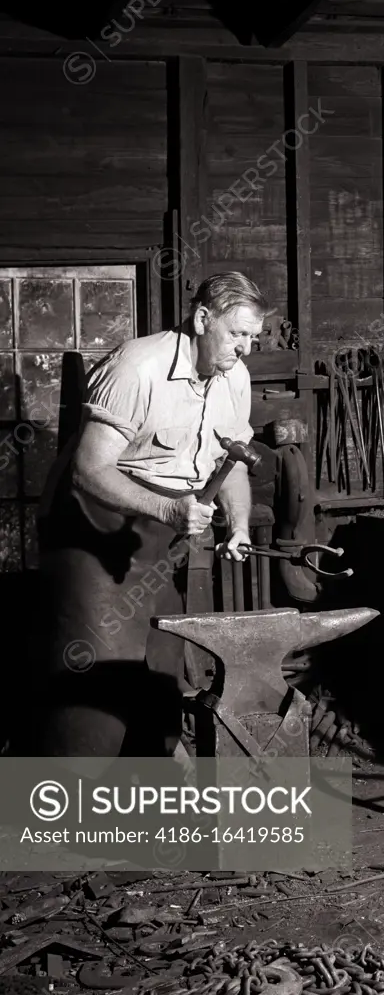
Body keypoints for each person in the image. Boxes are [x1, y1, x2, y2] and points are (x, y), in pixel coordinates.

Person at [28, 272, 267, 759]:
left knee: (160, 662)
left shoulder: (233, 378)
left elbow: (234, 458)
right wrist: (167, 507)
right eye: (238, 333)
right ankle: (69, 808)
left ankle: (145, 798)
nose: (245, 348)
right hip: (93, 525)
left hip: (162, 529)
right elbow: (88, 471)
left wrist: (237, 524)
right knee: (96, 670)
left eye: (253, 338)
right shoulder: (138, 366)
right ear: (203, 319)